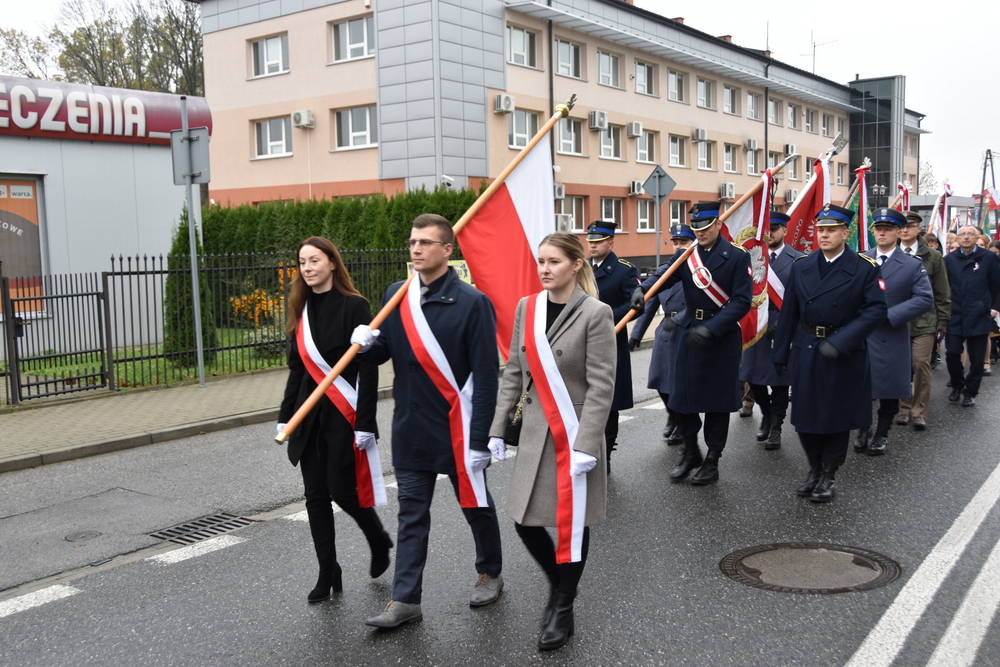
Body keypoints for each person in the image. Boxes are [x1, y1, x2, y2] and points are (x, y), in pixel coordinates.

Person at [351, 214, 504, 628]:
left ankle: (490, 570)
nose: (416, 249)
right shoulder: (396, 295)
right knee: (411, 514)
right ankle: (406, 600)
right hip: (412, 427)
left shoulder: (474, 303)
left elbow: (487, 375)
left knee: (476, 506)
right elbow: (382, 354)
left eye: (425, 242)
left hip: (458, 429)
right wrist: (366, 344)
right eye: (412, 242)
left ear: (447, 250)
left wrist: (481, 440)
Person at [489, 232, 614, 651]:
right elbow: (512, 372)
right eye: (540, 261)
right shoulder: (528, 307)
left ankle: (562, 604)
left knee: (571, 524)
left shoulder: (596, 313)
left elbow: (601, 386)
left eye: (554, 261)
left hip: (575, 433)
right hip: (536, 432)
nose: (544, 269)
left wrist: (587, 444)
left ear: (576, 265)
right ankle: (562, 586)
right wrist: (495, 428)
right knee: (524, 519)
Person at [277, 237, 393, 603]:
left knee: (342, 489)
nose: (307, 268)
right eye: (302, 263)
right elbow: (297, 370)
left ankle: (377, 537)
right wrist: (286, 417)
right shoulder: (301, 309)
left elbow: (368, 368)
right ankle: (328, 571)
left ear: (331, 262)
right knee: (314, 496)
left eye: (314, 260)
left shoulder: (354, 305)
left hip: (343, 413)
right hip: (309, 415)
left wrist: (365, 421)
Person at [773, 204, 887, 503]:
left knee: (835, 418)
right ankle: (813, 468)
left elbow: (875, 310)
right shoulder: (802, 266)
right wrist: (780, 351)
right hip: (808, 348)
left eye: (831, 229)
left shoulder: (865, 267)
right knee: (805, 417)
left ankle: (829, 473)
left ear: (845, 233)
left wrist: (844, 341)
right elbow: (790, 311)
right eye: (821, 229)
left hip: (842, 352)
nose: (824, 234)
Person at [632, 201, 752, 485]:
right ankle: (691, 452)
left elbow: (741, 302)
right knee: (681, 399)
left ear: (718, 225)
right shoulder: (688, 255)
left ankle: (712, 460)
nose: (700, 232)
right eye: (696, 227)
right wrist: (642, 288)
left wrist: (712, 328)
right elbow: (664, 277)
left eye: (705, 227)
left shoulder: (736, 256)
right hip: (689, 333)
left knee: (717, 404)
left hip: (720, 337)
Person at [855, 209, 933, 455]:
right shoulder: (860, 259)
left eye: (888, 229)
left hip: (891, 335)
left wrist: (891, 315)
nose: (882, 233)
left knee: (889, 390)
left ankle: (882, 434)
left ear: (899, 233)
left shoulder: (911, 265)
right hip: (862, 335)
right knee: (860, 387)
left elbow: (924, 298)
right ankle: (862, 427)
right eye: (878, 229)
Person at [739, 211, 804, 449]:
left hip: (781, 328)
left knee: (779, 381)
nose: (771, 233)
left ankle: (776, 426)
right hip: (755, 326)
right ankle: (766, 415)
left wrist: (789, 324)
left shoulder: (798, 259)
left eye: (776, 228)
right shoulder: (751, 256)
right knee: (752, 377)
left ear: (785, 230)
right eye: (768, 229)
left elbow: (801, 298)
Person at [629, 224, 694, 446]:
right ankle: (672, 415)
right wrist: (636, 334)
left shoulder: (698, 270)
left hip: (687, 330)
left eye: (683, 243)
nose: (677, 247)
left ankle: (682, 425)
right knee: (658, 380)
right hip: (665, 330)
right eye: (675, 243)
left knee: (679, 383)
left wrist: (682, 317)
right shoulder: (665, 270)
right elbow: (650, 303)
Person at [586, 221, 641, 473]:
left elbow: (634, 307)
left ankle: (605, 455)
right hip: (583, 342)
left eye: (598, 241)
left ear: (611, 243)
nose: (592, 245)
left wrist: (601, 317)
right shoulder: (582, 268)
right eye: (590, 241)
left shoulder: (624, 270)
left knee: (609, 403)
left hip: (610, 340)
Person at [896, 211, 951, 431]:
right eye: (901, 226)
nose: (905, 230)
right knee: (901, 366)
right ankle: (904, 407)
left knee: (920, 364)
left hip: (925, 321)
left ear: (919, 228)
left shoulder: (933, 256)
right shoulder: (889, 253)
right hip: (897, 320)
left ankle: (919, 411)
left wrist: (942, 321)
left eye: (910, 226)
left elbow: (942, 291)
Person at [943, 225, 1000, 407]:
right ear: (957, 239)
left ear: (977, 238)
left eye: (970, 234)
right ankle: (957, 384)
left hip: (978, 314)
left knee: (977, 359)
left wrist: (990, 306)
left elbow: (995, 285)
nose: (966, 237)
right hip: (955, 313)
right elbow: (944, 287)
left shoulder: (989, 258)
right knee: (952, 352)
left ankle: (970, 391)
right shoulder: (949, 259)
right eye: (962, 234)